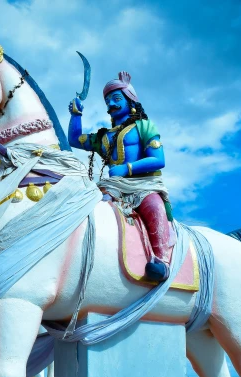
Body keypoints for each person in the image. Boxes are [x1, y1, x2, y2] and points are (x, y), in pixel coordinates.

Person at [68, 71, 172, 281]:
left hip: (144, 185)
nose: (111, 104)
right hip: (111, 187)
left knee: (154, 207)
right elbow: (75, 140)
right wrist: (76, 115)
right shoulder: (104, 136)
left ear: (130, 100)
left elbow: (159, 160)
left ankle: (162, 261)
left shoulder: (144, 126)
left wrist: (128, 169)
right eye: (108, 100)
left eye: (117, 99)